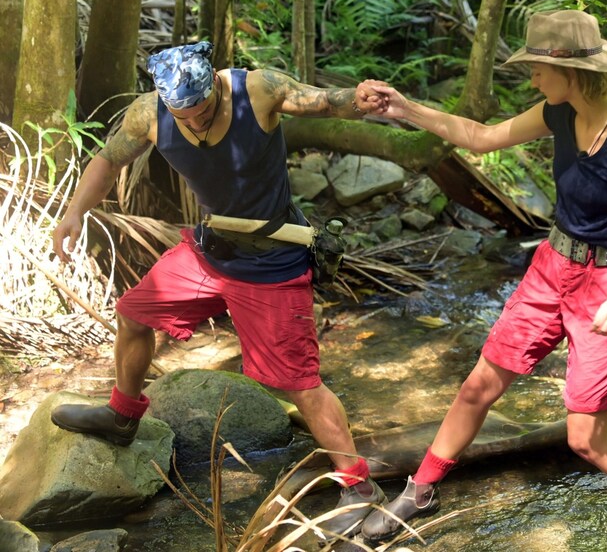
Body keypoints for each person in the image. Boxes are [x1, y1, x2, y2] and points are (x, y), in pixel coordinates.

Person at [360, 9, 607, 552]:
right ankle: (420, 490)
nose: (533, 78)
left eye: (540, 69)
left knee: (586, 439)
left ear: (574, 73)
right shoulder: (558, 112)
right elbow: (479, 136)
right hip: (550, 269)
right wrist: (406, 108)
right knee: (478, 387)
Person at [50, 41, 388, 541]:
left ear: (215, 88)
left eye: (204, 111)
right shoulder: (149, 113)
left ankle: (360, 488)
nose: (195, 123)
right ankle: (123, 416)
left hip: (272, 259)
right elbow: (107, 161)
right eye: (183, 115)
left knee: (300, 382)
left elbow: (322, 99)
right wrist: (75, 211)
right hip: (211, 252)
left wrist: (356, 98)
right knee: (134, 313)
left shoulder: (257, 90)